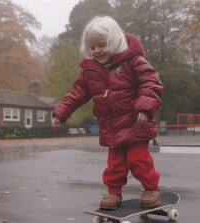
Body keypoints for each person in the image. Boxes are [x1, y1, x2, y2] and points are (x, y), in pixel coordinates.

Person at [51, 16, 163, 210]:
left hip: (136, 122)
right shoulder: (89, 70)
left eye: (102, 45)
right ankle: (113, 193)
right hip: (111, 127)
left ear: (114, 40)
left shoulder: (132, 61)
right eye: (92, 47)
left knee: (139, 160)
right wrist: (61, 112)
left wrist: (145, 107)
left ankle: (151, 189)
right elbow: (77, 93)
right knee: (114, 165)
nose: (97, 51)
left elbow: (151, 81)